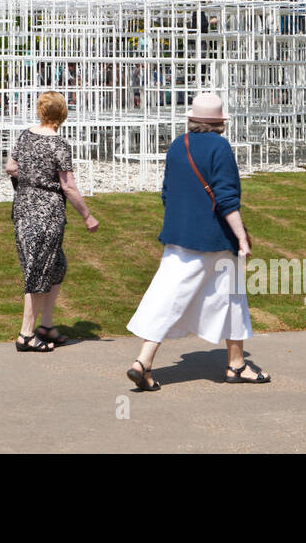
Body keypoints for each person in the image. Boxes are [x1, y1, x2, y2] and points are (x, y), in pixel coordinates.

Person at [124, 93, 270, 391]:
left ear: (193, 119)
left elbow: (167, 193)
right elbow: (227, 198)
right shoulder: (220, 147)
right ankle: (144, 361)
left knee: (218, 296)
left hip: (178, 234)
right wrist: (241, 237)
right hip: (212, 238)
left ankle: (235, 363)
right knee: (183, 297)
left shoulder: (178, 145)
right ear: (220, 123)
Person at [4, 91, 99, 352]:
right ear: (62, 114)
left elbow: (11, 167)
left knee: (56, 266)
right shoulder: (59, 145)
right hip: (47, 213)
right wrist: (87, 216)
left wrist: (28, 180)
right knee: (37, 271)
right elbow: (68, 187)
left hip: (24, 207)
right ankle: (25, 334)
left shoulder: (25, 135)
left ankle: (46, 325)